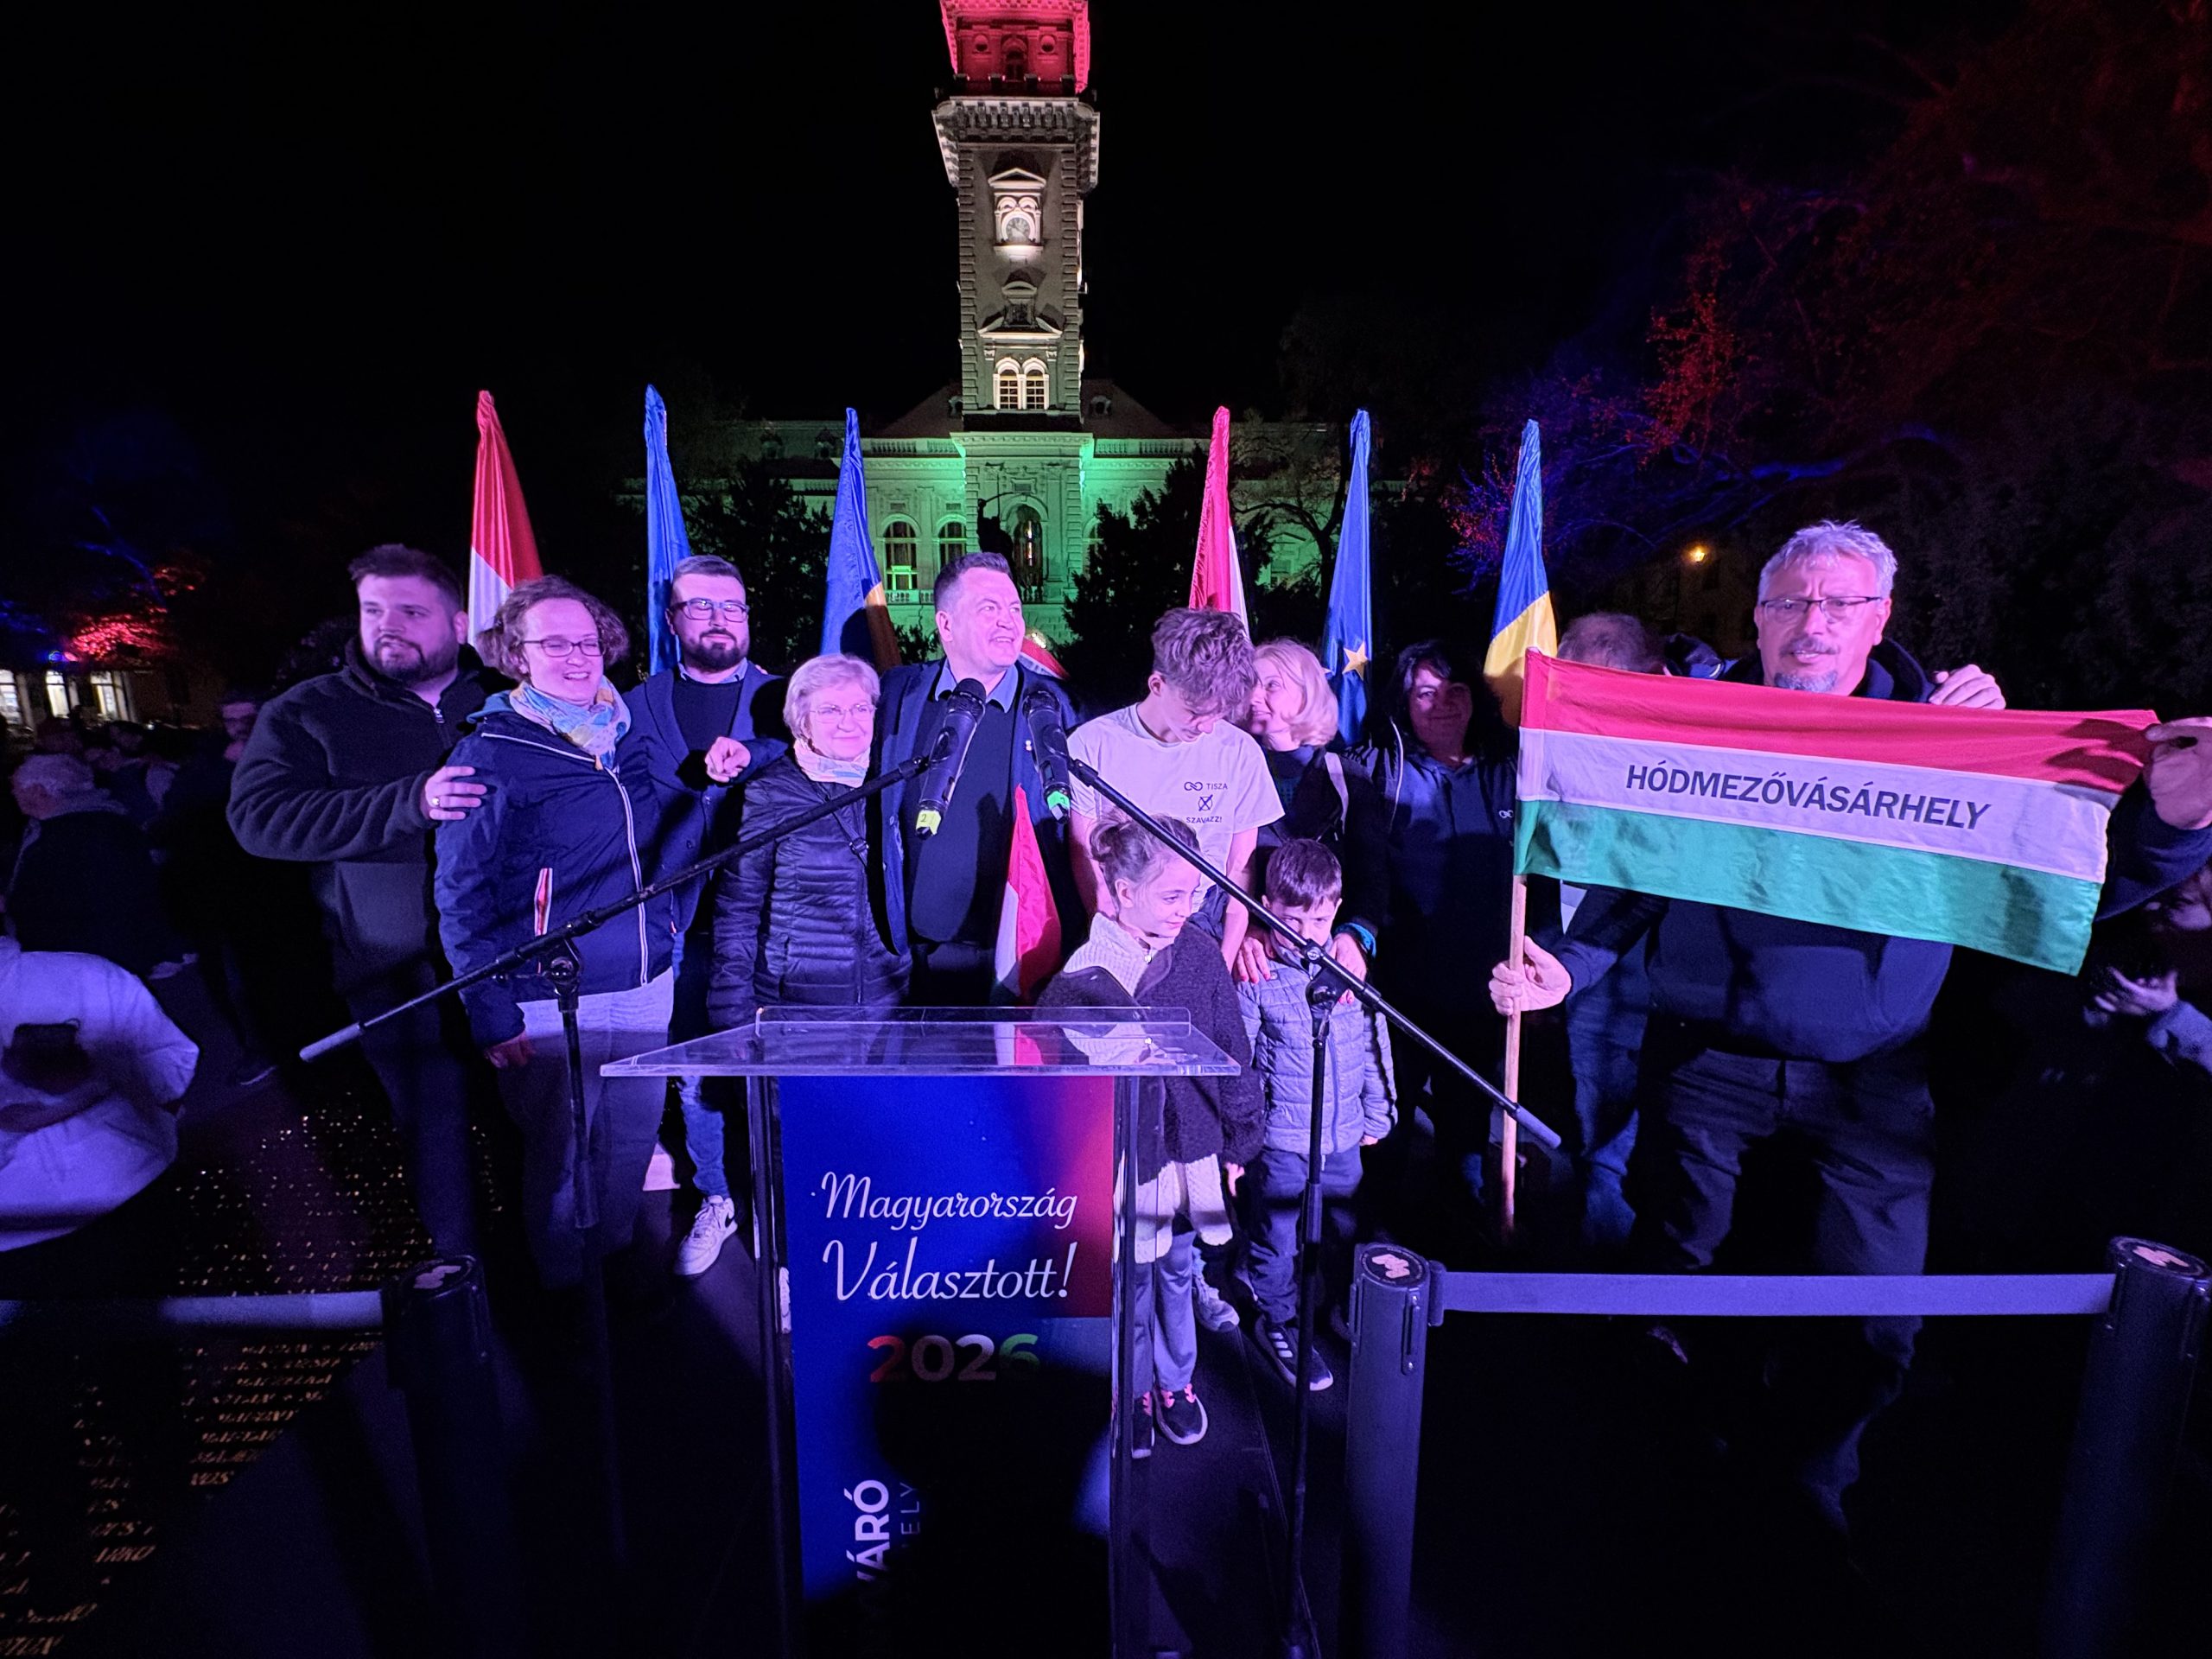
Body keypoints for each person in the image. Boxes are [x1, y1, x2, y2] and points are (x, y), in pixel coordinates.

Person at [1490, 520, 2212, 1532]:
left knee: (1871, 1317)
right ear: (1756, 616)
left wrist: (2177, 823)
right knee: (1677, 1279)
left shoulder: (1949, 740)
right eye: (1790, 601)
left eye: (1838, 603)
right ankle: (1663, 1488)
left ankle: (1807, 1509)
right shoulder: (1705, 726)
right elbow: (1644, 870)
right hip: (1704, 1066)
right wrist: (1570, 963)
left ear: (1880, 617)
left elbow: (2065, 879)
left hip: (1874, 1084)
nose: (1812, 623)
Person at [229, 543, 509, 1255]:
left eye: (411, 611)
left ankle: (547, 1276)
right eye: (373, 610)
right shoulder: (307, 711)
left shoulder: (508, 694)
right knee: (435, 1128)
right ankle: (458, 1276)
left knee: (531, 1119)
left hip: (514, 953)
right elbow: (260, 820)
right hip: (396, 970)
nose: (389, 626)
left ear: (459, 622)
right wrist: (409, 803)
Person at [434, 575, 678, 1292]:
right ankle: (566, 1293)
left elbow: (666, 834)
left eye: (588, 642)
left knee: (629, 1144)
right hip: (551, 994)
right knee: (560, 1155)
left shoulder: (626, 734)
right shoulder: (491, 750)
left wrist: (672, 921)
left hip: (645, 981)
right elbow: (460, 891)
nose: (577, 658)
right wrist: (488, 1007)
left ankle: (617, 1270)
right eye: (555, 644)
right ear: (518, 654)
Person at [1039, 818, 1262, 1452]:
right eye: (1171, 896)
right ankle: (1133, 1385)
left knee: (1179, 1270)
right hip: (1128, 1162)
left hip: (1192, 1151)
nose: (1185, 909)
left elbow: (1233, 1051)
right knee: (1132, 1281)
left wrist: (1241, 1140)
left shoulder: (1199, 954)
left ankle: (1176, 1379)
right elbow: (1058, 1081)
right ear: (1122, 892)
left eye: (1193, 894)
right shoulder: (1083, 976)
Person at [626, 554, 786, 1278]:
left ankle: (788, 1208)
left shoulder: (783, 697)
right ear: (673, 620)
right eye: (701, 606)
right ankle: (718, 1196)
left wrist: (752, 753)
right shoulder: (636, 706)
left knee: (781, 1070)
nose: (719, 619)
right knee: (698, 1070)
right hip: (678, 926)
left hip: (776, 920)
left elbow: (825, 754)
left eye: (732, 606)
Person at [1353, 639, 1528, 1250]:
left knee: (1465, 1136)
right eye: (1425, 693)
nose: (1442, 704)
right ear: (1405, 703)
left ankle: (1464, 1256)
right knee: (1387, 1128)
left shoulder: (1513, 773)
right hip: (1400, 993)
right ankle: (1373, 1255)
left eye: (1454, 691)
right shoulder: (1383, 772)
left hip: (1483, 992)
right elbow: (1365, 875)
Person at [873, 550, 1081, 1005]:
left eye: (1014, 608)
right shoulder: (899, 693)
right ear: (946, 625)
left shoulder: (1056, 707)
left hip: (1023, 950)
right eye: (989, 608)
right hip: (913, 957)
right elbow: (821, 743)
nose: (1009, 622)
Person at [1236, 839, 1395, 1392]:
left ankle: (1340, 1308)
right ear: (1265, 907)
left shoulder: (1350, 971)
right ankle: (1277, 1319)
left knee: (1344, 1226)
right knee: (1277, 1235)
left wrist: (1379, 1113)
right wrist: (1239, 1143)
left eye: (1320, 920)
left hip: (1344, 1136)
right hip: (1281, 1142)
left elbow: (1374, 1045)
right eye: (1291, 921)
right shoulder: (1256, 979)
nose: (1307, 933)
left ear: (1337, 909)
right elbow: (1240, 1066)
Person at [1546, 612, 1668, 1255]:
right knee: (1576, 1142)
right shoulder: (1567, 740)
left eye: (1605, 690)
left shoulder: (1692, 749)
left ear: (1653, 678)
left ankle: (1603, 1280)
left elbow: (1653, 880)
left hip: (1640, 983)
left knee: (1616, 1157)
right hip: (1570, 966)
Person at [1067, 607, 1281, 969]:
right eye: (1195, 713)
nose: (1207, 728)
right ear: (1157, 685)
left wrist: (1222, 963)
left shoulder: (1241, 753)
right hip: (1123, 925)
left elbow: (1240, 873)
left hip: (1202, 926)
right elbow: (1085, 854)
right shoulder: (1091, 745)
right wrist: (1115, 942)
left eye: (1218, 715)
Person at [708, 654, 908, 1027]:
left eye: (860, 708)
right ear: (803, 722)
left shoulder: (896, 780)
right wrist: (731, 1010)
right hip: (798, 1007)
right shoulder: (771, 792)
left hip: (889, 1001)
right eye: (830, 710)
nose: (848, 722)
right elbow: (737, 910)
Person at [1234, 639, 1388, 989]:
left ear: (1307, 695)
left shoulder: (1346, 778)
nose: (1254, 696)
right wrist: (1243, 927)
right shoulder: (1230, 772)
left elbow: (1373, 874)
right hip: (1258, 967)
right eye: (1250, 685)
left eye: (1271, 685)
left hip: (1332, 963)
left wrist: (1355, 935)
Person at [150, 690, 281, 1087]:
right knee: (237, 976)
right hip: (227, 887)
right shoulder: (208, 761)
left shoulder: (288, 747)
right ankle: (262, 1047)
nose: (238, 729)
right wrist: (224, 769)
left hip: (282, 881)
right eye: (230, 721)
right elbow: (176, 812)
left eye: (247, 720)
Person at [7, 753, 186, 977]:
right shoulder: (67, 826)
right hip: (78, 957)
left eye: (18, 787)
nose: (13, 793)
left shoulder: (84, 833)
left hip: (87, 961)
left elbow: (115, 902)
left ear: (39, 791)